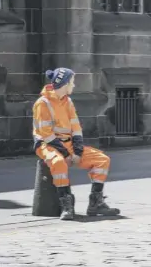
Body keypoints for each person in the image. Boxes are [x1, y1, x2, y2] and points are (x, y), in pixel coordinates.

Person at [32, 67, 120, 220]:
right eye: (72, 82)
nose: (74, 86)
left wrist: (77, 152)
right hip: (47, 145)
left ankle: (95, 204)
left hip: (69, 145)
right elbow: (46, 134)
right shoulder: (43, 103)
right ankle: (66, 206)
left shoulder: (68, 101)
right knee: (58, 163)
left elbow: (76, 128)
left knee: (102, 160)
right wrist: (66, 154)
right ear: (65, 84)